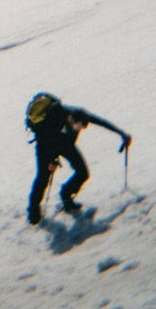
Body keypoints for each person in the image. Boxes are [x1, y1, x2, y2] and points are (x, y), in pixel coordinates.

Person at [26, 95, 131, 224]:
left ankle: (66, 195)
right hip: (45, 145)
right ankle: (33, 212)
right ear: (70, 119)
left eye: (81, 128)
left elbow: (101, 122)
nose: (78, 129)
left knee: (83, 173)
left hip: (65, 144)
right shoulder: (54, 117)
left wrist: (121, 134)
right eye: (78, 127)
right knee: (43, 177)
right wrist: (51, 161)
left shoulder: (81, 115)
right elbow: (45, 140)